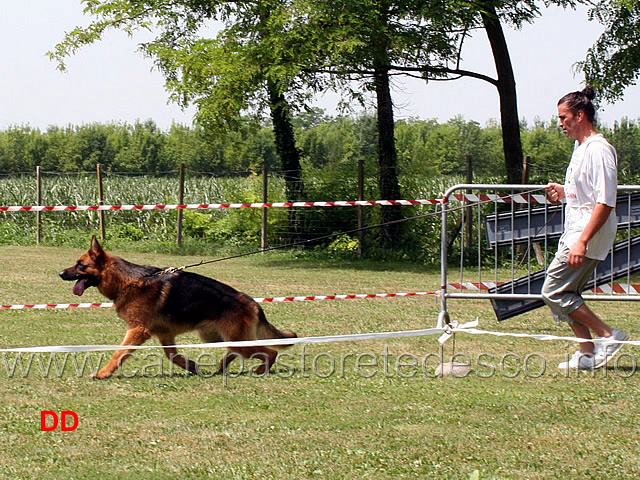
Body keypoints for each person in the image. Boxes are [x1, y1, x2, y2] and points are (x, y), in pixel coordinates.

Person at [542, 86, 628, 371]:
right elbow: (585, 193)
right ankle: (587, 353)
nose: (559, 123)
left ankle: (608, 335)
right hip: (576, 230)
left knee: (553, 291)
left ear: (579, 115)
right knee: (569, 292)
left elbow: (605, 202)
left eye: (563, 117)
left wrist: (582, 242)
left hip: (587, 234)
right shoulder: (580, 148)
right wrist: (563, 192)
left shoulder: (600, 150)